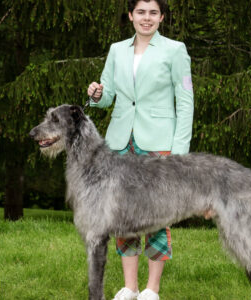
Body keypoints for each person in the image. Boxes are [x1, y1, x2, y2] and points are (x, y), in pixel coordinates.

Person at [87, 0, 193, 299]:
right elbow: (107, 96)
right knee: (122, 216)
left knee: (157, 216)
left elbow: (185, 102)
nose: (147, 19)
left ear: (161, 17)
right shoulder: (116, 50)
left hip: (159, 144)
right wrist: (96, 94)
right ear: (131, 15)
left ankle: (151, 289)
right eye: (141, 12)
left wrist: (179, 152)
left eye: (153, 13)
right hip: (121, 143)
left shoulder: (175, 50)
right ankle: (130, 287)